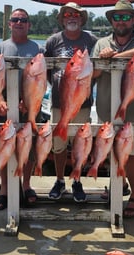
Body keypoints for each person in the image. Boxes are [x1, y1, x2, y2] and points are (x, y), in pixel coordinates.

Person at [92, 0, 134, 218]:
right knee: (112, 153)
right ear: (111, 20)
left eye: (126, 17)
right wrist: (102, 60)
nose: (121, 21)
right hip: (106, 111)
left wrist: (116, 58)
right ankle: (116, 187)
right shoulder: (101, 43)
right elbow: (93, 75)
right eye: (117, 17)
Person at [44, 2, 98, 203]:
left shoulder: (92, 40)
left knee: (80, 144)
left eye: (76, 14)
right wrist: (60, 87)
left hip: (83, 104)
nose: (72, 17)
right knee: (58, 146)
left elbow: (100, 65)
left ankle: (77, 180)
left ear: (82, 18)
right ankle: (59, 180)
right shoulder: (52, 41)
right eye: (67, 14)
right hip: (59, 104)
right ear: (62, 18)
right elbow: (46, 69)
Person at [0, 8, 44, 210]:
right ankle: (5, 190)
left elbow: (41, 83)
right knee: (5, 148)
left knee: (29, 148)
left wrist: (31, 103)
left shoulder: (37, 49)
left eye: (23, 19)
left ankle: (26, 185)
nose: (19, 22)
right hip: (4, 106)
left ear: (29, 24)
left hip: (30, 106)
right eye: (15, 19)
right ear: (9, 24)